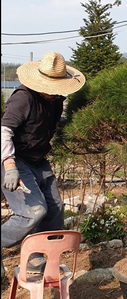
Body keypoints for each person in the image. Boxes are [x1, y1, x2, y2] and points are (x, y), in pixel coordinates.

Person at [1, 51, 86, 277]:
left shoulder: (56, 100)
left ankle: (35, 258)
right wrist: (9, 165)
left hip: (38, 160)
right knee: (34, 212)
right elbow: (4, 130)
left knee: (55, 212)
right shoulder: (23, 98)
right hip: (14, 159)